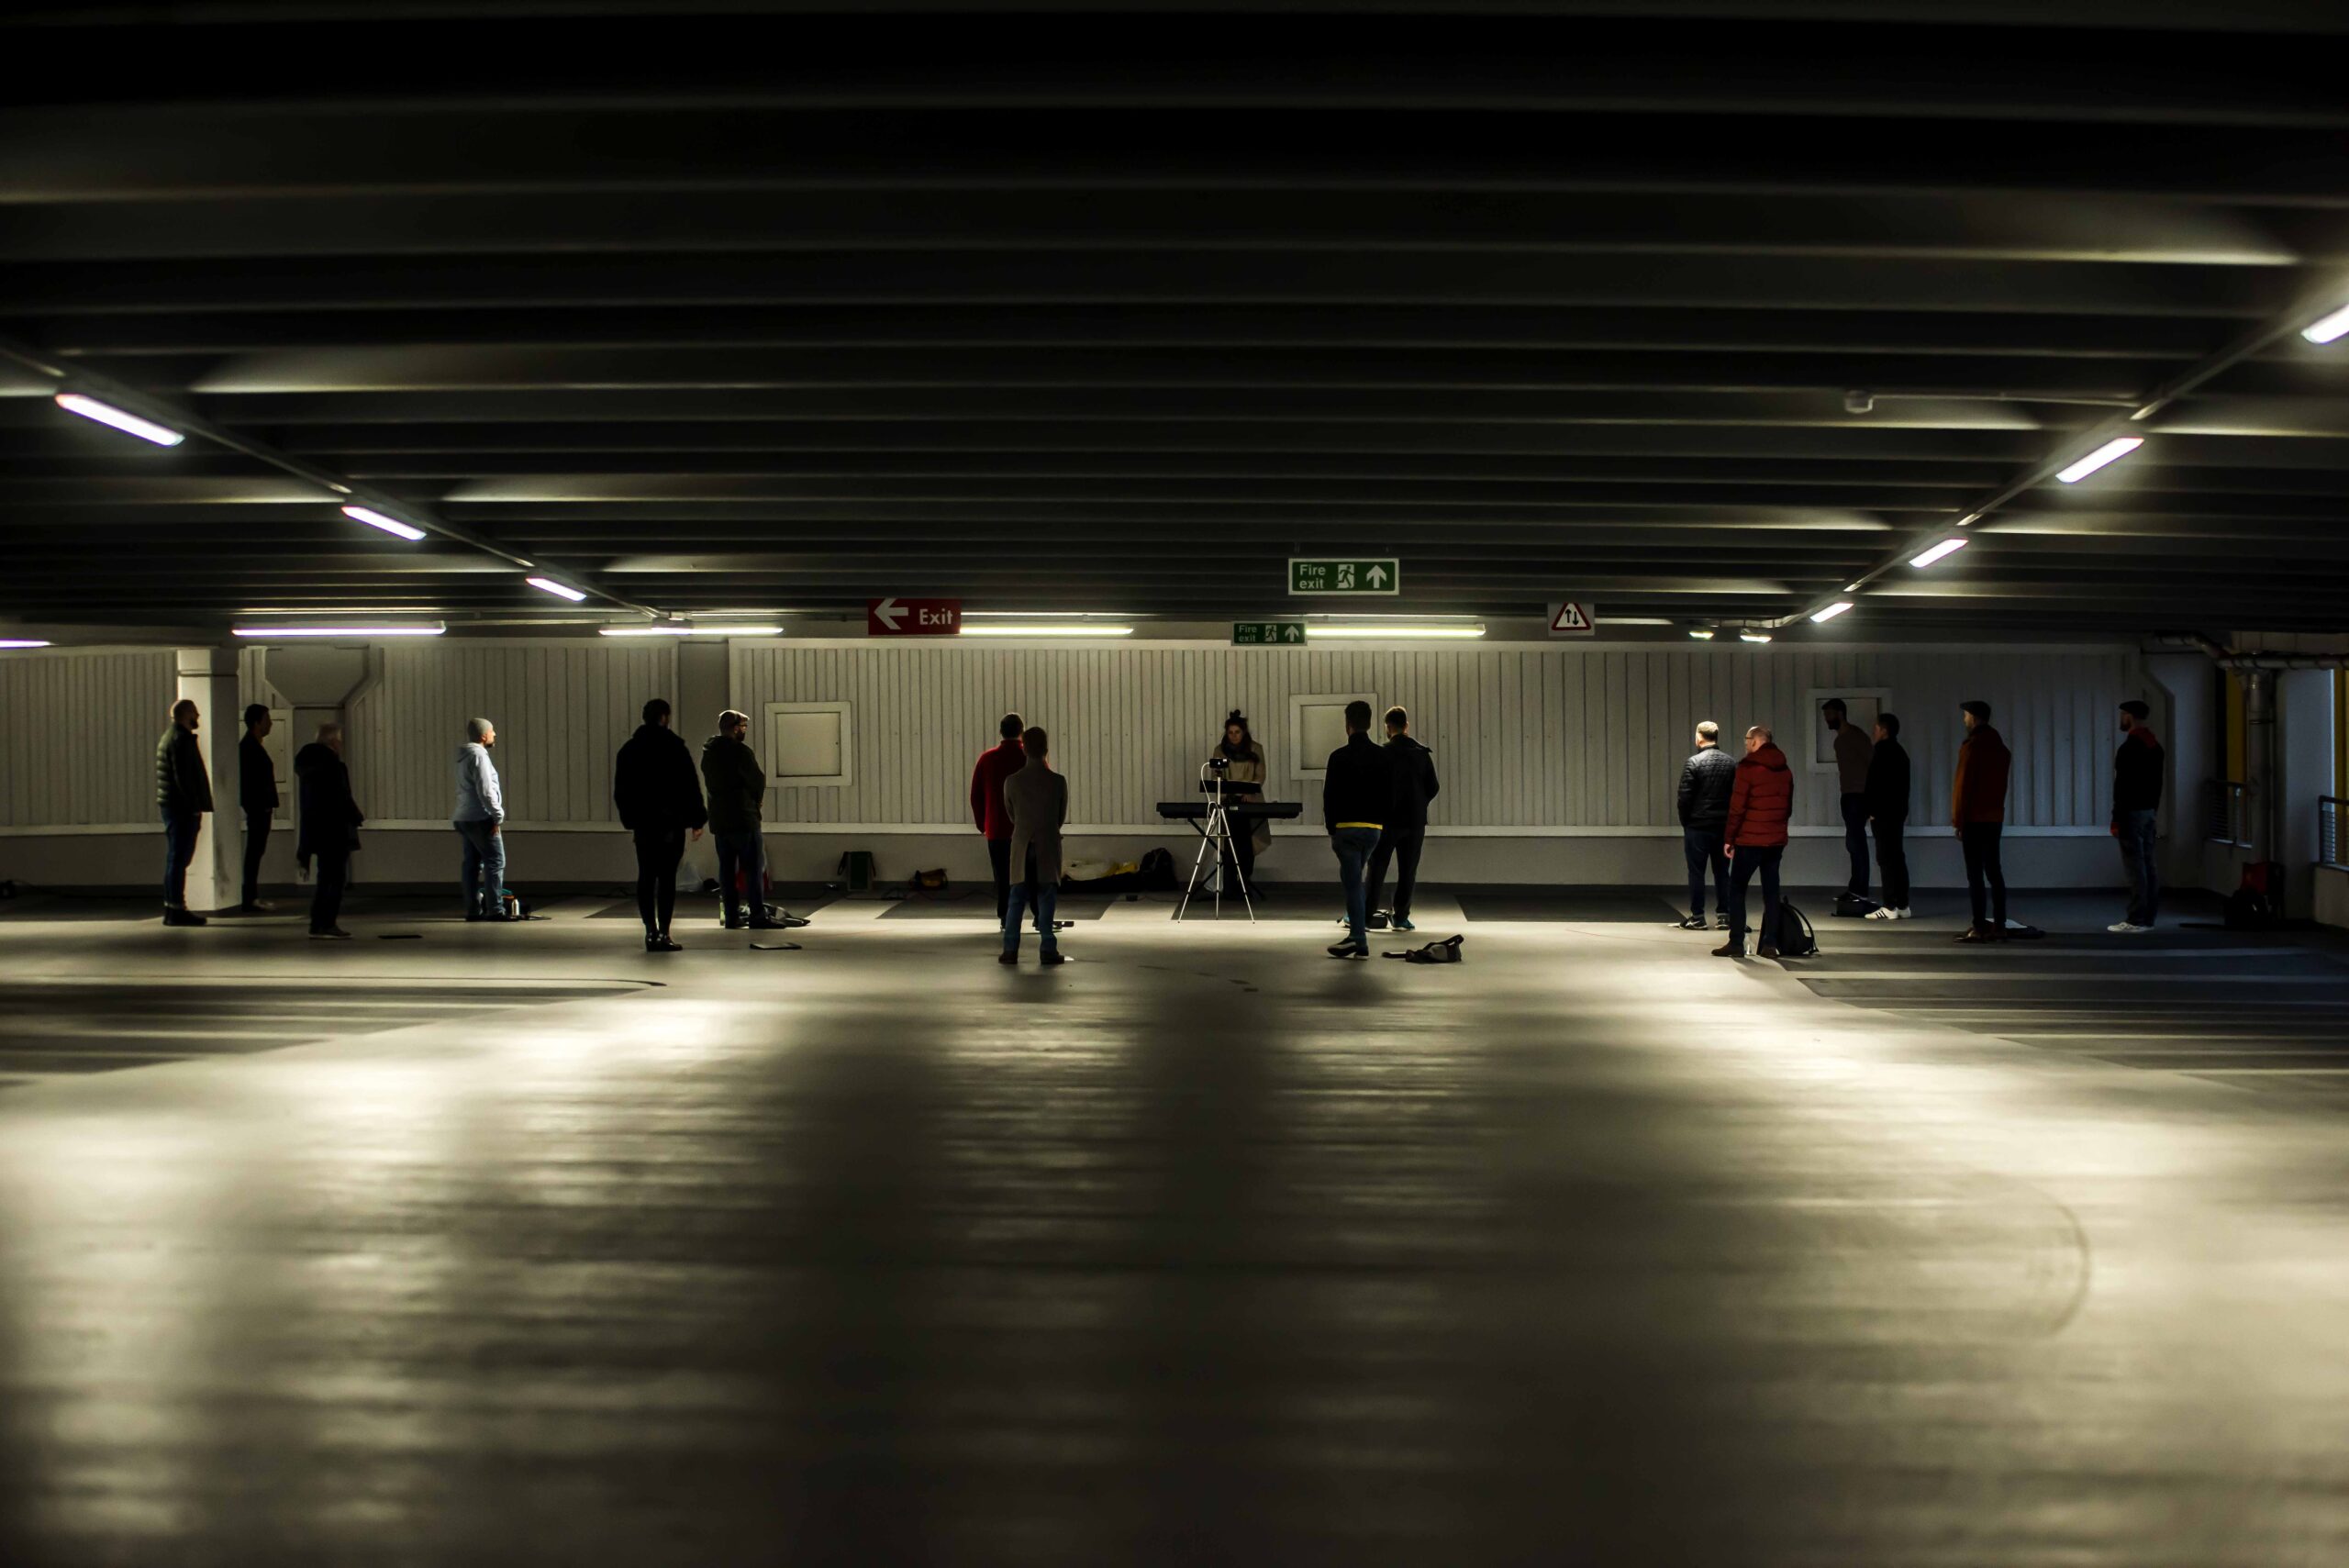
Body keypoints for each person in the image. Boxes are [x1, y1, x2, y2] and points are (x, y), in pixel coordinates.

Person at [614, 697, 708, 951]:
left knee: (646, 875)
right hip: (671, 823)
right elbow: (690, 785)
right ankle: (664, 933)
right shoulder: (675, 748)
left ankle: (649, 931)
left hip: (644, 824)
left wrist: (631, 819)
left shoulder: (630, 750)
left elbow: (622, 790)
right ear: (665, 717)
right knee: (667, 878)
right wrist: (697, 819)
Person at [1715, 724, 1792, 960]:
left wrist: (1730, 838)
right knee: (1771, 891)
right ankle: (1770, 944)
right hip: (1775, 840)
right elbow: (1787, 807)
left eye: (1747, 740)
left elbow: (1737, 808)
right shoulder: (1785, 769)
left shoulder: (1747, 768)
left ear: (1756, 741)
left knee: (1737, 889)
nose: (1745, 744)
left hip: (1749, 840)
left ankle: (1736, 941)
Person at [702, 708, 779, 931]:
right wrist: (757, 802)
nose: (745, 731)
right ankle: (757, 915)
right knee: (753, 868)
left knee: (726, 870)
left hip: (719, 819)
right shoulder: (741, 752)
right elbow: (757, 780)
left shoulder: (709, 751)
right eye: (743, 727)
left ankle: (732, 916)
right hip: (743, 817)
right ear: (735, 729)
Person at [1365, 706, 1440, 931]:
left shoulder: (1382, 753)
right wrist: (1419, 803)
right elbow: (1434, 787)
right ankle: (1401, 917)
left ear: (1388, 728)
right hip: (1415, 821)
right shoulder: (1421, 753)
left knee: (1377, 867)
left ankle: (1366, 916)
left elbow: (1374, 788)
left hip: (1387, 821)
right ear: (1406, 726)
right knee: (1408, 870)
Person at [1323, 699, 1386, 959]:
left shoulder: (1338, 757)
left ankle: (1359, 940)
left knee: (1352, 884)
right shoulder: (1382, 756)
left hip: (1346, 829)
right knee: (1356, 880)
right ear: (1370, 723)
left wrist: (1332, 828)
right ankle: (1357, 937)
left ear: (1348, 725)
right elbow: (1389, 793)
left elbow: (1330, 796)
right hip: (1373, 829)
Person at [999, 726, 1068, 966]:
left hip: (1021, 844)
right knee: (1046, 896)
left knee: (1016, 898)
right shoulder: (1058, 782)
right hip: (1047, 844)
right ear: (1046, 750)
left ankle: (1010, 949)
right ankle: (1047, 947)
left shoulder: (1012, 782)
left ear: (1024, 750)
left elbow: (1011, 815)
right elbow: (1059, 817)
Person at [295, 721, 362, 940]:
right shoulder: (334, 766)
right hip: (336, 829)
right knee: (336, 878)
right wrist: (356, 816)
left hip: (316, 828)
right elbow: (341, 796)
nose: (341, 744)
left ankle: (317, 923)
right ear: (333, 742)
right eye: (339, 740)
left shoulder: (307, 767)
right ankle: (328, 923)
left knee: (324, 877)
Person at [1952, 699, 2012, 944]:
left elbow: (1963, 786)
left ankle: (1978, 926)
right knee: (1994, 872)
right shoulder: (1999, 746)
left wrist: (1958, 820)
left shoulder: (1972, 746)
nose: (1964, 720)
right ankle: (2000, 925)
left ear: (1974, 718)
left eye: (1966, 716)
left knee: (1975, 874)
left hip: (1974, 819)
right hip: (1994, 817)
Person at [156, 697, 214, 927]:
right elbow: (185, 779)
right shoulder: (181, 740)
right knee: (179, 858)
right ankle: (176, 909)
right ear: (187, 714)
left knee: (176, 858)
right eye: (196, 713)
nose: (198, 717)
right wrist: (194, 807)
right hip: (181, 809)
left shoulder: (171, 738)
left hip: (173, 806)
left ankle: (173, 908)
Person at [2110, 699, 2165, 934]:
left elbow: (2122, 786)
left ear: (2129, 716)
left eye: (2122, 715)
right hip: (2149, 811)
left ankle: (2136, 919)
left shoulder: (2129, 748)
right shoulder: (2155, 746)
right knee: (2148, 864)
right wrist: (2154, 808)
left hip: (2131, 812)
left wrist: (2116, 818)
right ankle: (2148, 917)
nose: (2121, 719)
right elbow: (2157, 783)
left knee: (2135, 867)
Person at [1675, 720, 1736, 930]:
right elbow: (1736, 797)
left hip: (1698, 826)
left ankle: (1698, 917)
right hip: (1723, 826)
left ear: (1699, 737)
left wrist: (1686, 822)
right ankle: (1724, 916)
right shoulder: (1731, 763)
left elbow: (1684, 798)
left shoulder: (1693, 762)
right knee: (1722, 872)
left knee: (1696, 872)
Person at [970, 713, 1027, 921]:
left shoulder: (987, 759)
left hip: (996, 828)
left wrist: (982, 824)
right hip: (1026, 828)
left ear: (1001, 732)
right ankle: (1039, 915)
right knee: (1030, 873)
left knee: (1002, 875)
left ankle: (1005, 915)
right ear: (1022, 731)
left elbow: (976, 795)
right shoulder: (1029, 757)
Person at [452, 717, 507, 920]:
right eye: (492, 731)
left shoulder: (464, 756)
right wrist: (497, 816)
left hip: (463, 817)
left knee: (471, 865)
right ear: (484, 735)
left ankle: (473, 910)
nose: (495, 734)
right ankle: (496, 910)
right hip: (480, 817)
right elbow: (486, 790)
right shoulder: (479, 756)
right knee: (495, 862)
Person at [1211, 710, 1270, 894]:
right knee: (1229, 844)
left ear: (1243, 732)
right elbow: (1216, 776)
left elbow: (1260, 775)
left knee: (1247, 842)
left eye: (1237, 732)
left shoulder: (1255, 748)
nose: (1234, 736)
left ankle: (1244, 881)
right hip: (1228, 801)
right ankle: (1229, 886)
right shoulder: (1220, 750)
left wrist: (1249, 791)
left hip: (1250, 800)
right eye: (1230, 733)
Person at [1862, 712, 1913, 920]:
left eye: (1876, 728)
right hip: (1898, 814)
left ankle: (1889, 906)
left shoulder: (1882, 753)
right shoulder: (1901, 753)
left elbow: (1876, 785)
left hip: (1883, 815)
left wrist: (1871, 811)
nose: (1873, 732)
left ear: (1884, 730)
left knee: (1885, 858)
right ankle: (1903, 904)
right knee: (1897, 857)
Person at [1824, 698, 1874, 905]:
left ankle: (1860, 890)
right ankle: (1856, 889)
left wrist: (1871, 798)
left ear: (1840, 714)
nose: (1827, 719)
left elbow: (1872, 764)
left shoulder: (1854, 736)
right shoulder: (1840, 740)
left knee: (1856, 843)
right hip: (1849, 795)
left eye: (1829, 715)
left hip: (1858, 796)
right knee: (1853, 843)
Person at [235, 703, 277, 913]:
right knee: (254, 853)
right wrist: (259, 807)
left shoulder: (252, 746)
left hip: (260, 808)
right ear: (257, 723)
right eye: (267, 720)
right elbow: (249, 782)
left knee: (255, 852)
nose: (270, 724)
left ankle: (251, 896)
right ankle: (249, 898)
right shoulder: (249, 748)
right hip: (258, 809)